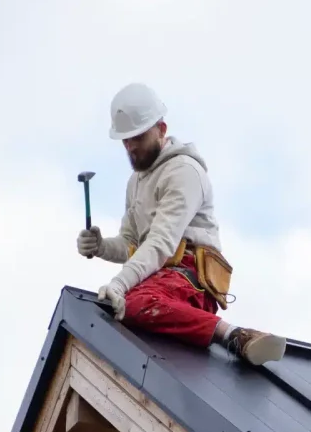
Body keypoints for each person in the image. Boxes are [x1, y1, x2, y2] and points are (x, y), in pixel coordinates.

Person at [77, 83, 287, 366]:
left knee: (133, 303)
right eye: (125, 140)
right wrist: (101, 246)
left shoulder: (184, 172)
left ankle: (235, 335)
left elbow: (160, 242)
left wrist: (120, 283)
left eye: (138, 137)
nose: (131, 146)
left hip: (189, 277)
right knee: (121, 306)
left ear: (161, 129)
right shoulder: (135, 182)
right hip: (158, 276)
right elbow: (132, 245)